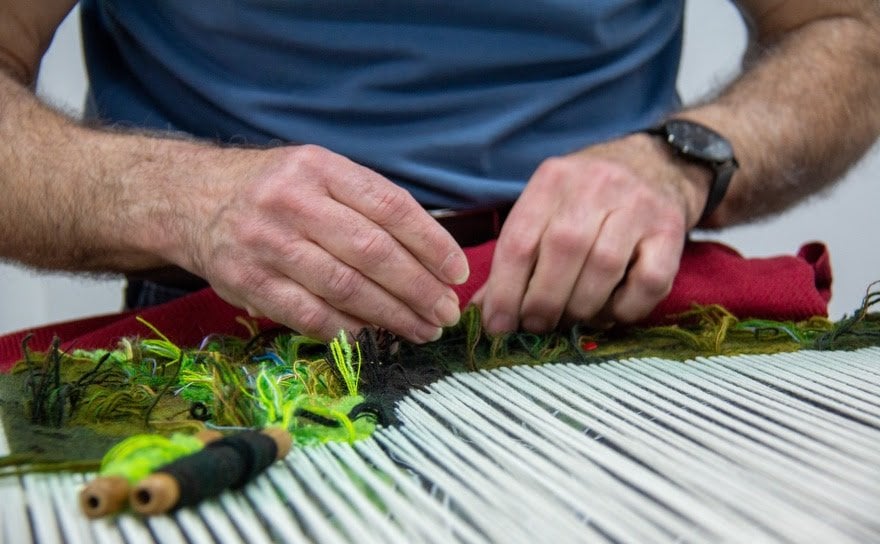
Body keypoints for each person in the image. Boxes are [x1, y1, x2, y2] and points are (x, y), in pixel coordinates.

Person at [0, 1, 878, 344]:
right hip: (231, 323)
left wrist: (681, 157)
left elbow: (848, 27)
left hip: (614, 307)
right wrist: (182, 200)